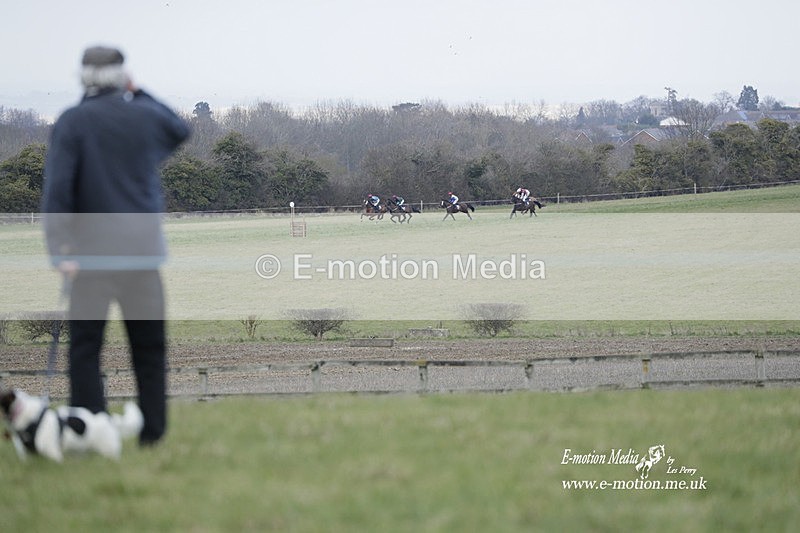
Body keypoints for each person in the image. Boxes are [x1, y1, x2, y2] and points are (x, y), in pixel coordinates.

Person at [42, 45, 190, 446]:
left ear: (84, 76)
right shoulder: (142, 117)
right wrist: (139, 92)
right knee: (148, 348)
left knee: (86, 348)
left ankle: (90, 429)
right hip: (142, 254)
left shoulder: (73, 122)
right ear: (123, 76)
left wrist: (60, 249)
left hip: (90, 256)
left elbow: (58, 190)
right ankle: (153, 434)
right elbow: (180, 129)